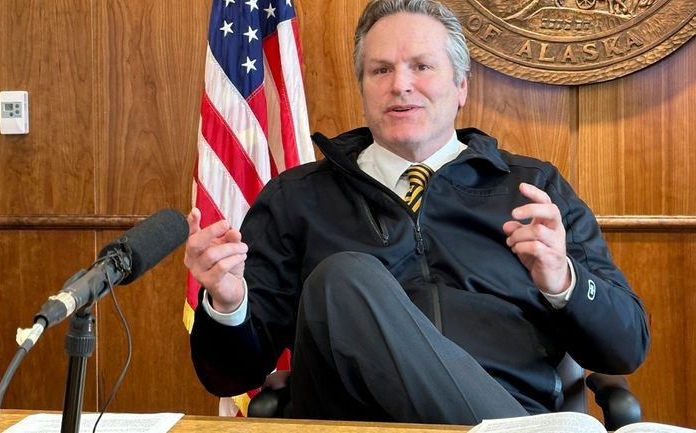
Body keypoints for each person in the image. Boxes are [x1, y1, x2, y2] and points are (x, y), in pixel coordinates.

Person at [184, 0, 649, 424]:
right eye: (380, 70)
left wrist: (563, 282)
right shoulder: (297, 198)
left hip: (510, 405)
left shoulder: (531, 189)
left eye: (421, 66)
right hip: (356, 425)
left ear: (461, 85)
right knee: (341, 280)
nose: (400, 84)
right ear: (363, 88)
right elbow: (228, 376)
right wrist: (228, 305)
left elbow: (625, 349)